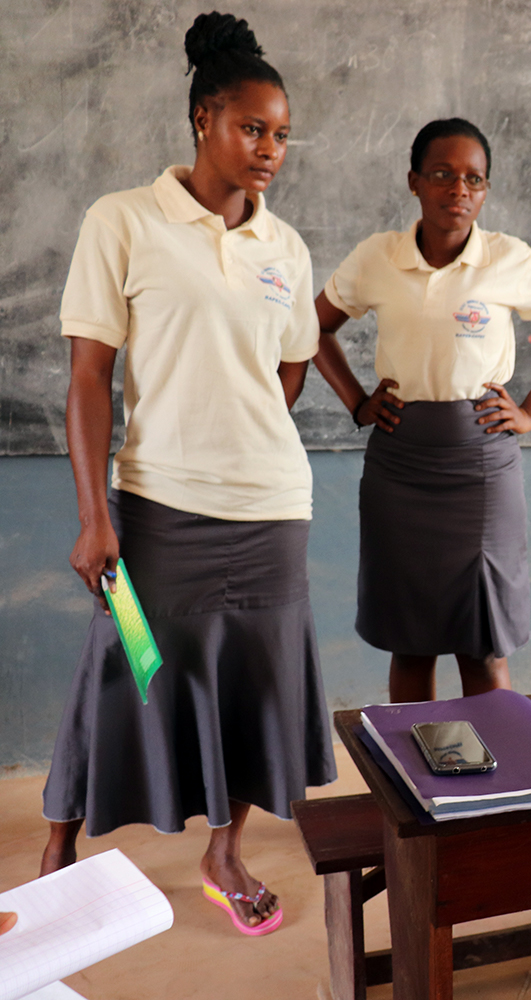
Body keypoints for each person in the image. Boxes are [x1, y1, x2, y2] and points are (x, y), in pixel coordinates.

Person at [39, 12, 336, 936]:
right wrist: (97, 517)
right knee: (123, 667)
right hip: (156, 512)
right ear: (205, 117)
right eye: (253, 128)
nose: (270, 150)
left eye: (282, 135)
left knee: (258, 685)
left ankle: (223, 849)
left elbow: (288, 368)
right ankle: (57, 852)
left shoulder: (283, 248)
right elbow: (90, 376)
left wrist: (241, 433)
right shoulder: (123, 220)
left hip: (273, 512)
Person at [312, 118, 531, 702]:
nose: (458, 189)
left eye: (473, 179)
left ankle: (494, 787)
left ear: (485, 190)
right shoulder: (378, 257)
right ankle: (416, 779)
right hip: (400, 466)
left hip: (482, 467)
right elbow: (313, 330)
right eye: (442, 175)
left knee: (482, 644)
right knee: (410, 642)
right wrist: (358, 402)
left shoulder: (508, 258)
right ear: (414, 181)